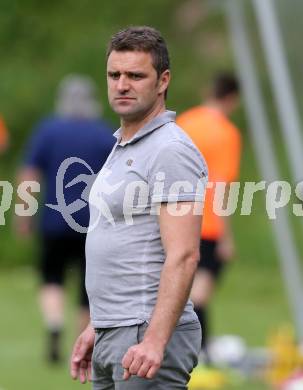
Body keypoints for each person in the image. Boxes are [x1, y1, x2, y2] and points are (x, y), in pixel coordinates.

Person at [70, 26, 208, 389]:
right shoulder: (124, 144)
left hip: (146, 333)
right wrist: (97, 324)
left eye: (135, 75)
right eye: (114, 75)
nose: (122, 85)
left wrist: (156, 340)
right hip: (113, 330)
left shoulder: (169, 149)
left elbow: (184, 254)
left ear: (163, 81)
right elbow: (126, 240)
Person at [17, 74, 115, 362]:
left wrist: (24, 213)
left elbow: (30, 173)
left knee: (51, 277)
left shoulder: (48, 130)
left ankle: (54, 324)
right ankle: (81, 342)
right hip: (93, 222)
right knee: (89, 285)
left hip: (53, 220)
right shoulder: (103, 133)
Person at [177, 73, 242, 360]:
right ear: (232, 99)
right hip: (208, 224)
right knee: (198, 294)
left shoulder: (184, 123)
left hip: (176, 219)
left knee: (181, 288)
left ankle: (194, 349)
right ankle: (198, 352)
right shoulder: (227, 133)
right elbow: (221, 186)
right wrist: (227, 237)